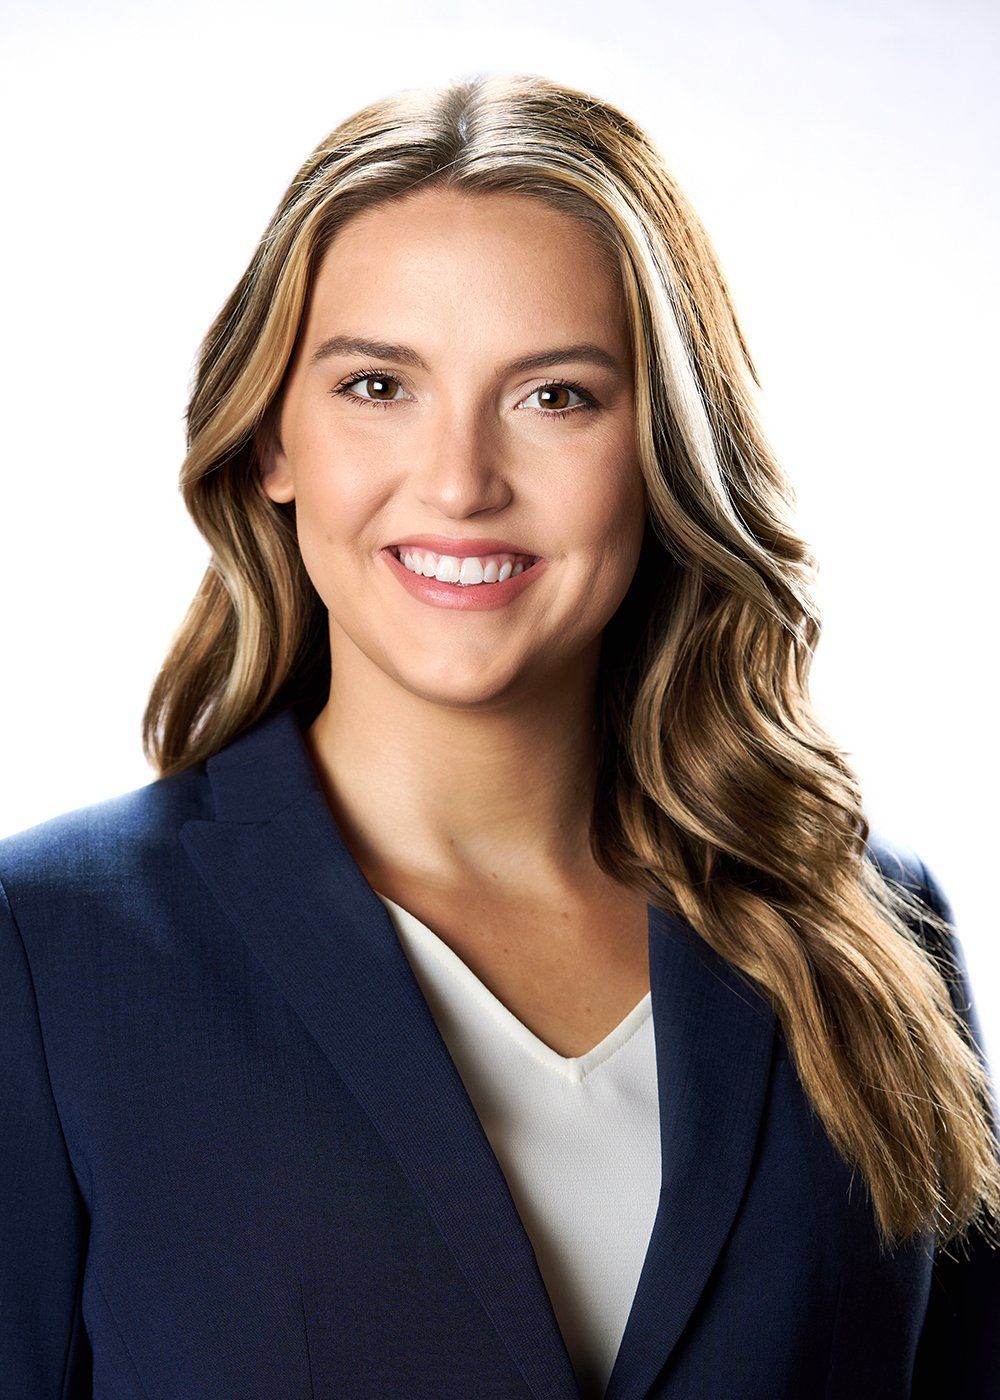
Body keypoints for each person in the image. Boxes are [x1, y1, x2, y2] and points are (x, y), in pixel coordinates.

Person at [1, 71, 997, 1400]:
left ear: (664, 448)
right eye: (377, 385)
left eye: (557, 397)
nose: (462, 481)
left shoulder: (874, 925)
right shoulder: (50, 950)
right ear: (269, 444)